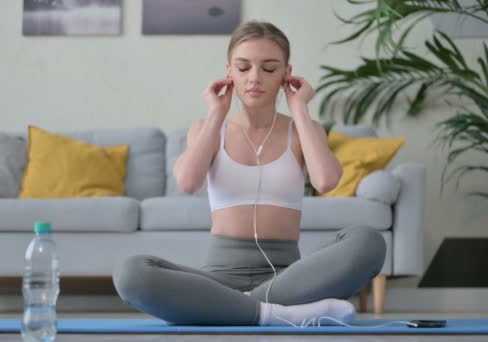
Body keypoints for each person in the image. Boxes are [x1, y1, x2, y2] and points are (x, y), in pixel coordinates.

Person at [113, 20, 386, 326]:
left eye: (269, 69)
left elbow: (326, 181)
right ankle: (273, 313)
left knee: (368, 242)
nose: (255, 78)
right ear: (228, 71)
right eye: (243, 68)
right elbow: (188, 182)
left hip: (289, 279)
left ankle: (232, 309)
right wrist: (216, 112)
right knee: (131, 273)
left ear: (287, 73)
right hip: (217, 279)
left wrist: (300, 109)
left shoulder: (303, 130)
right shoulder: (206, 129)